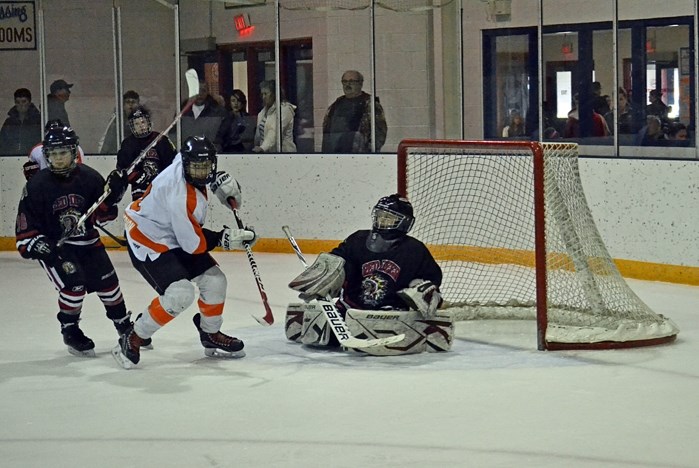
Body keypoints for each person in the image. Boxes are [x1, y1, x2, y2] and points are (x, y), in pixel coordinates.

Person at [112, 136, 257, 369]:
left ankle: (209, 333)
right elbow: (192, 244)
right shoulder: (180, 196)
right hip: (148, 237)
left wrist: (219, 183)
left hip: (171, 229)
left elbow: (197, 162)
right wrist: (223, 238)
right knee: (180, 294)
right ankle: (133, 336)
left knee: (215, 281)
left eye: (206, 167)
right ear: (186, 164)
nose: (201, 173)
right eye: (196, 168)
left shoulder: (185, 161)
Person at [15, 125, 134, 357]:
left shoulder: (89, 177)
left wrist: (113, 197)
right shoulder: (37, 185)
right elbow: (24, 231)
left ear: (73, 152)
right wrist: (38, 245)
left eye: (63, 153)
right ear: (47, 155)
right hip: (58, 248)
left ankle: (123, 325)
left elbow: (104, 216)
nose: (58, 159)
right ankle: (70, 329)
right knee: (74, 286)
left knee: (110, 285)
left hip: (89, 243)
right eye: (53, 154)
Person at [284, 194, 453, 356]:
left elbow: (431, 279)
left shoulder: (414, 249)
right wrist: (324, 277)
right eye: (380, 215)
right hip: (351, 308)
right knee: (321, 326)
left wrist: (422, 290)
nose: (382, 221)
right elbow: (337, 260)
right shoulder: (357, 239)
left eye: (390, 218)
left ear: (405, 223)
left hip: (389, 313)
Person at [116, 105, 176, 201]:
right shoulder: (128, 143)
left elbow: (172, 165)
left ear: (148, 122)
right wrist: (138, 177)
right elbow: (122, 168)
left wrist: (164, 180)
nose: (141, 126)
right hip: (139, 192)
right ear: (133, 127)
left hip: (161, 190)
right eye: (137, 124)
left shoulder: (161, 140)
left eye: (143, 122)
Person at [321, 70, 388, 153]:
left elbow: (380, 133)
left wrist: (368, 153)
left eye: (351, 81)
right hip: (334, 155)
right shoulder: (336, 105)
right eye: (344, 81)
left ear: (360, 83)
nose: (347, 84)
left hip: (360, 156)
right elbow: (327, 131)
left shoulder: (370, 104)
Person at [179, 81, 228, 151]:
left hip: (211, 154)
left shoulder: (218, 112)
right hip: (188, 153)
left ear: (208, 92)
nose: (200, 94)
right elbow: (175, 134)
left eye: (203, 90)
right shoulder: (183, 111)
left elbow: (224, 137)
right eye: (197, 90)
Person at [253, 80, 297, 153]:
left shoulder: (284, 109)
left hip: (284, 155)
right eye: (262, 94)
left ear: (274, 94)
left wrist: (262, 148)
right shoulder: (262, 113)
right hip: (267, 155)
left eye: (266, 94)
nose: (263, 97)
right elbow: (259, 136)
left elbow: (274, 131)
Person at [0, 88, 42, 155]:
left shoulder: (38, 121)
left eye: (24, 101)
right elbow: (2, 143)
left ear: (29, 102)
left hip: (33, 157)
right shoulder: (9, 122)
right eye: (18, 102)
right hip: (10, 159)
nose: (21, 105)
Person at [98, 90, 141, 154]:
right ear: (123, 105)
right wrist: (101, 155)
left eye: (133, 102)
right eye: (128, 102)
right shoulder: (117, 119)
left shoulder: (142, 119)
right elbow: (106, 139)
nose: (130, 105)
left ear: (138, 104)